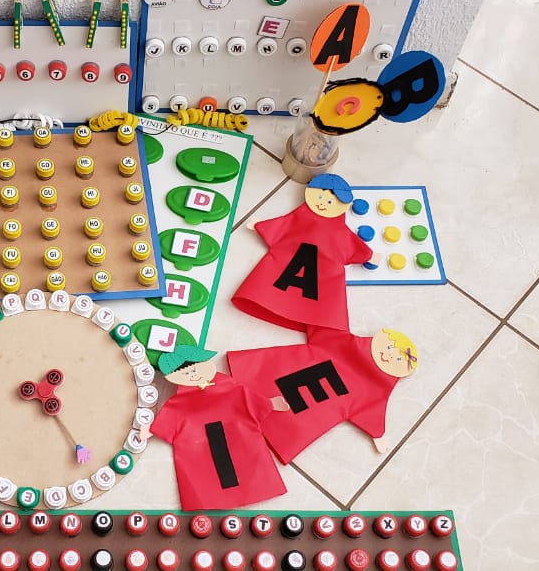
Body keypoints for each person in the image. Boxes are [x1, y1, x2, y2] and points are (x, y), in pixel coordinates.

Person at [227, 327, 419, 461]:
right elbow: (323, 326)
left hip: (289, 411)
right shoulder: (344, 345)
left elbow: (371, 412)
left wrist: (378, 435)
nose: (387, 356)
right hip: (288, 408)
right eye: (389, 349)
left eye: (395, 358)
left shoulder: (375, 388)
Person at [145, 345, 288, 510]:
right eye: (187, 372)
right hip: (208, 454)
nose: (193, 374)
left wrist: (270, 403)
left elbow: (248, 399)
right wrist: (149, 430)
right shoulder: (178, 404)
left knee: (244, 464)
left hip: (240, 446)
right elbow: (166, 424)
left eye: (195, 368)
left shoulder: (230, 388)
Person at [231, 173, 374, 334]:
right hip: (297, 285)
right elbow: (354, 248)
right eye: (321, 197)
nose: (323, 204)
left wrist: (261, 226)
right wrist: (260, 226)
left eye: (329, 201)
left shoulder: (337, 232)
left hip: (292, 283)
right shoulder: (304, 220)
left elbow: (281, 228)